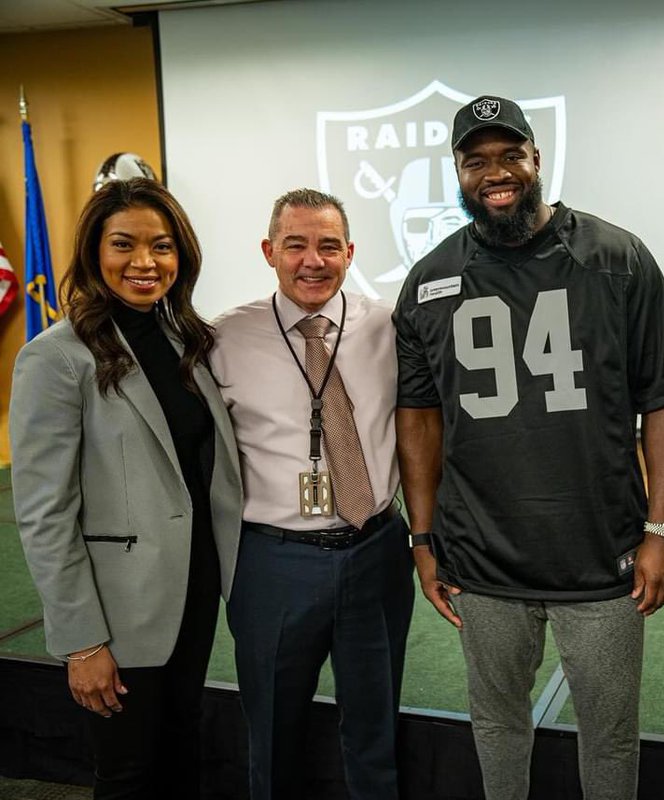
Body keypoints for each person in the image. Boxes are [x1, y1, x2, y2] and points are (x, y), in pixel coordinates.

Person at [394, 95, 664, 800]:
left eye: (509, 156)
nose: (494, 173)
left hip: (602, 554)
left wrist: (661, 527)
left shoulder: (615, 257)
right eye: (476, 161)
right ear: (459, 174)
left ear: (536, 158)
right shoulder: (429, 279)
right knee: (498, 728)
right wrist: (423, 536)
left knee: (610, 735)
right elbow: (419, 416)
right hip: (483, 554)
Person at [11, 178, 242, 799]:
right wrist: (81, 640)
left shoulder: (184, 342)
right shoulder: (55, 358)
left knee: (179, 751)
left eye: (161, 247)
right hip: (117, 613)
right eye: (124, 245)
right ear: (94, 252)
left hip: (192, 593)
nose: (144, 262)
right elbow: (43, 513)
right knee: (128, 774)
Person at [210, 189, 413, 800]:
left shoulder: (387, 326)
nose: (312, 260)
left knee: (375, 728)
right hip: (272, 563)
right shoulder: (222, 339)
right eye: (295, 244)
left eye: (329, 246)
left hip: (375, 552)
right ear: (269, 251)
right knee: (273, 730)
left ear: (350, 252)